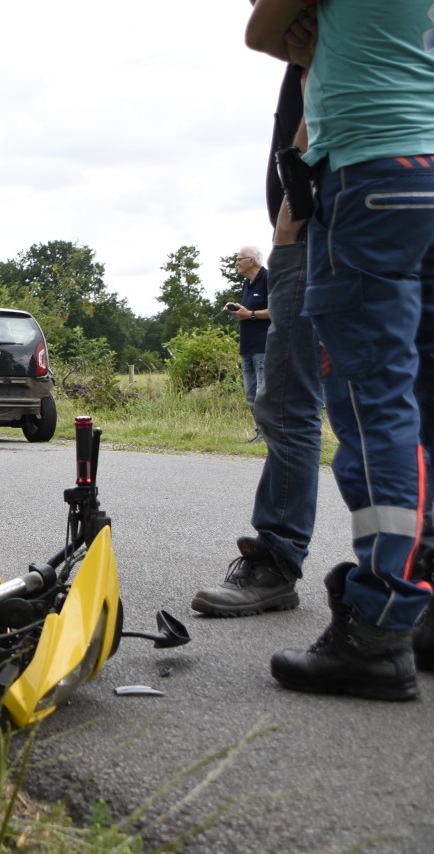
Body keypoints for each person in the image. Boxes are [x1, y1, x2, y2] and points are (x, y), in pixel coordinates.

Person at [247, 0, 434, 700]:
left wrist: (319, 46)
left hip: (372, 172)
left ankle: (379, 622)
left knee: (374, 405)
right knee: (424, 400)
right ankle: (425, 606)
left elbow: (262, 30)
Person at [192, 63, 325, 618]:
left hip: (326, 234)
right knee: (296, 404)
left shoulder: (336, 36)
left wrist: (287, 233)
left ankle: (280, 557)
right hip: (326, 233)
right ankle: (282, 557)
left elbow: (323, 117)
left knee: (292, 405)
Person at [223, 246, 272, 442]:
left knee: (262, 394)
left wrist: (249, 314)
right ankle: (261, 433)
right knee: (251, 394)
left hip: (264, 346)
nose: (236, 263)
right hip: (247, 347)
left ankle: (268, 435)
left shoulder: (268, 279)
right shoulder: (247, 283)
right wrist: (237, 309)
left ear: (251, 260)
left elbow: (278, 309)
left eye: (239, 259)